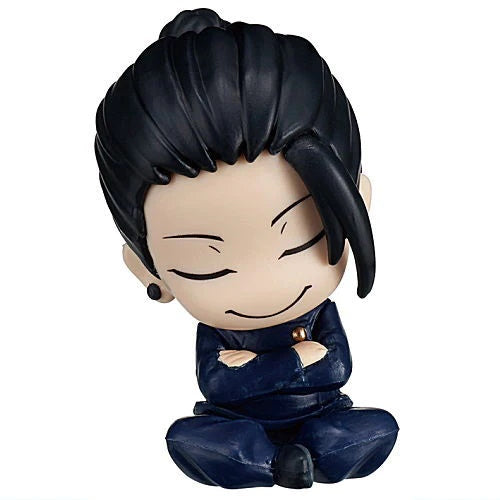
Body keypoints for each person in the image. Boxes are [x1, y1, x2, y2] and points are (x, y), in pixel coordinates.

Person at [95, 8, 398, 489]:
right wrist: (297, 360)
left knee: (377, 429)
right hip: (235, 424)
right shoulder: (219, 331)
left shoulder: (319, 313)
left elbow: (338, 365)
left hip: (324, 413)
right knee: (188, 440)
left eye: (301, 242)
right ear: (147, 271)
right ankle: (280, 463)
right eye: (207, 268)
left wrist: (258, 368)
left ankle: (294, 456)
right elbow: (219, 384)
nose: (262, 284)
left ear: (357, 201)